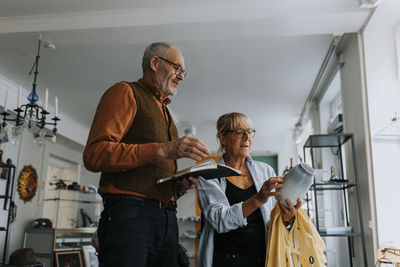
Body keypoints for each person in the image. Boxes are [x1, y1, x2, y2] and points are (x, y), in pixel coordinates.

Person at [83, 42, 210, 267]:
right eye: (177, 69)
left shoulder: (167, 113)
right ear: (154, 63)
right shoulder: (125, 91)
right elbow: (95, 154)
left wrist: (178, 187)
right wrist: (163, 149)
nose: (181, 77)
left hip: (167, 219)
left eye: (183, 72)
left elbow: (152, 175)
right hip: (130, 218)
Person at [197, 112, 301, 267]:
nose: (247, 137)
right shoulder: (209, 175)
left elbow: (274, 219)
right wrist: (258, 199)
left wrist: (288, 218)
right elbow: (220, 220)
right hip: (225, 260)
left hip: (262, 259)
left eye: (250, 132)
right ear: (223, 138)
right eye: (239, 132)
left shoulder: (266, 171)